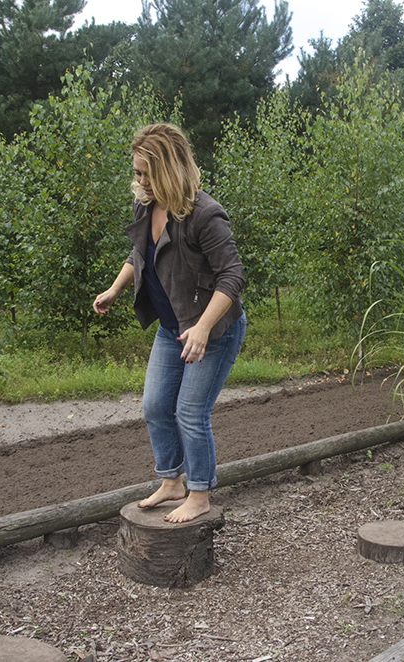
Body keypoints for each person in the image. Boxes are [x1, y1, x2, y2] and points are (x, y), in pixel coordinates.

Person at [93, 123, 247, 522]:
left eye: (145, 173)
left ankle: (198, 494)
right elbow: (139, 254)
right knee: (156, 406)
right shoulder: (145, 205)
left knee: (190, 412)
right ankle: (172, 481)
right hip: (171, 326)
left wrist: (202, 327)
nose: (139, 180)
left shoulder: (205, 214)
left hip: (211, 330)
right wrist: (114, 289)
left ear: (168, 169)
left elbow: (232, 277)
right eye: (137, 172)